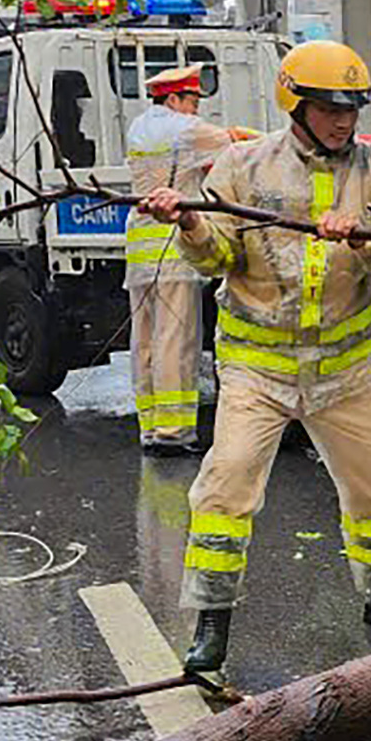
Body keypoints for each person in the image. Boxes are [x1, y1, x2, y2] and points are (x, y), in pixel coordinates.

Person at [140, 39, 371, 674]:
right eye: (330, 107)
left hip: (350, 370)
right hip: (259, 370)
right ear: (295, 104)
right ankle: (211, 624)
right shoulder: (246, 167)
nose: (344, 120)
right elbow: (217, 256)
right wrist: (187, 223)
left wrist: (364, 240)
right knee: (224, 491)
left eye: (353, 107)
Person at [123, 64, 236, 455]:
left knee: (146, 343)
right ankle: (174, 434)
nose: (196, 109)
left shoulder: (139, 127)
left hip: (139, 248)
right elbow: (235, 142)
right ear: (173, 99)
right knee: (176, 341)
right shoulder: (184, 128)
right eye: (192, 101)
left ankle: (150, 428)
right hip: (172, 248)